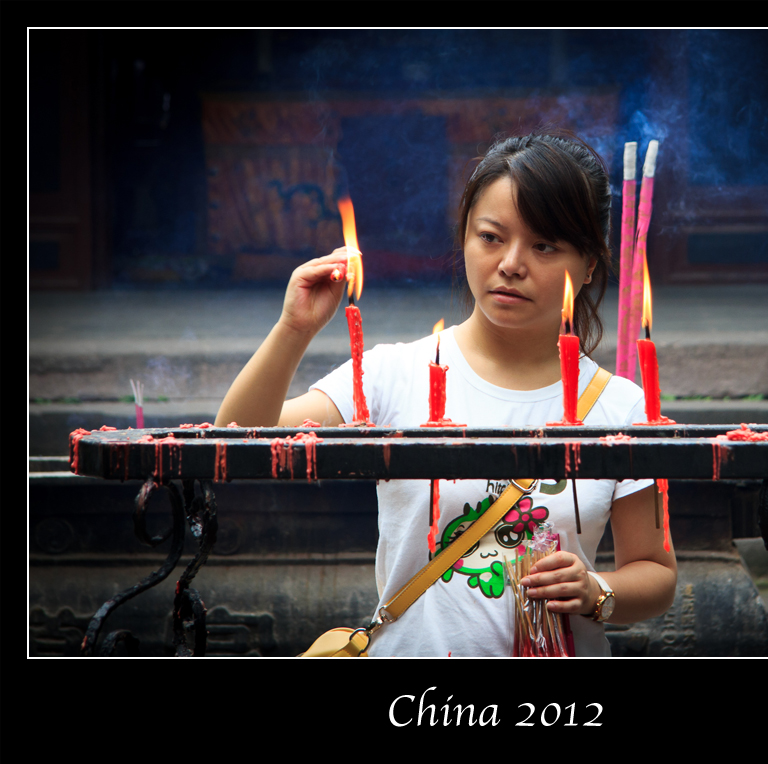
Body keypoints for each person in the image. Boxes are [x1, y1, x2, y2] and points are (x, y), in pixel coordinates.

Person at [216, 131, 678, 657]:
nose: (511, 264)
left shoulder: (619, 407)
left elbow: (657, 573)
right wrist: (292, 330)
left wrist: (598, 590)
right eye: (491, 237)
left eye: (545, 245)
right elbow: (234, 439)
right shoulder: (395, 374)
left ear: (590, 264)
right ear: (464, 239)